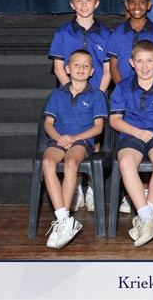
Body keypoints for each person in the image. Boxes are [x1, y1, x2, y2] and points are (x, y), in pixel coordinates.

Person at [107, 0, 153, 213]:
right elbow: (113, 66)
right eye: (132, 2)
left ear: (150, 5)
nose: (137, 6)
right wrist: (127, 89)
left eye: (142, 2)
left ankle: (148, 203)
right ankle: (144, 210)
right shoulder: (118, 32)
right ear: (126, 5)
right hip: (129, 100)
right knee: (128, 158)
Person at [109, 40, 153, 247]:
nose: (144, 66)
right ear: (131, 63)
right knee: (125, 162)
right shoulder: (123, 87)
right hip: (131, 134)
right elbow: (114, 120)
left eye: (149, 61)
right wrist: (137, 132)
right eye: (139, 61)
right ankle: (148, 218)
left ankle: (146, 216)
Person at [48, 0, 111, 212]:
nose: (84, 5)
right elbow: (58, 67)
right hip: (69, 97)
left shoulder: (106, 33)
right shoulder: (62, 32)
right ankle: (74, 189)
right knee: (69, 143)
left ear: (96, 3)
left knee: (94, 140)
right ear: (72, 4)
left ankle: (92, 186)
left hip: (95, 96)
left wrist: (97, 94)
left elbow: (107, 70)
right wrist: (73, 91)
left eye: (88, 0)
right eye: (79, 0)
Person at [42, 49, 108, 249]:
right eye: (76, 65)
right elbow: (48, 124)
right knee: (47, 163)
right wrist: (60, 139)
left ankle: (64, 222)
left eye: (86, 66)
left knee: (71, 163)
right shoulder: (57, 94)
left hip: (82, 141)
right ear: (67, 69)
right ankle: (64, 219)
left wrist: (74, 138)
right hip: (59, 139)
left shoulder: (97, 95)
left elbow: (98, 128)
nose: (81, 68)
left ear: (92, 72)